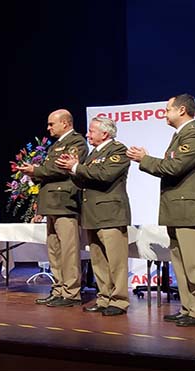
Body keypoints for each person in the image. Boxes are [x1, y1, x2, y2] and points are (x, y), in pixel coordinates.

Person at [126, 93, 195, 327]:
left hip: (190, 209)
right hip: (177, 209)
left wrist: (144, 159)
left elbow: (174, 167)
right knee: (181, 263)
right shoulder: (180, 136)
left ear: (182, 110)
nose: (165, 114)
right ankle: (188, 307)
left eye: (168, 109)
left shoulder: (194, 134)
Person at [56, 117, 131, 316]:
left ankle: (119, 300)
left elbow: (104, 175)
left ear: (104, 133)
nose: (87, 134)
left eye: (91, 131)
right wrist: (72, 169)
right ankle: (104, 297)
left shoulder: (117, 150)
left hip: (110, 214)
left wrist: (76, 167)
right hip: (92, 214)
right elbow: (85, 178)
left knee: (116, 261)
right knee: (98, 260)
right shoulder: (92, 154)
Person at [17, 109, 88, 307]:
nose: (48, 128)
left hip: (65, 203)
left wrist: (36, 170)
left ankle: (71, 292)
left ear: (65, 123)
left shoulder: (77, 142)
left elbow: (63, 167)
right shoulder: (56, 145)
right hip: (51, 204)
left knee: (69, 250)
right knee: (54, 251)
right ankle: (58, 289)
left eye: (51, 124)